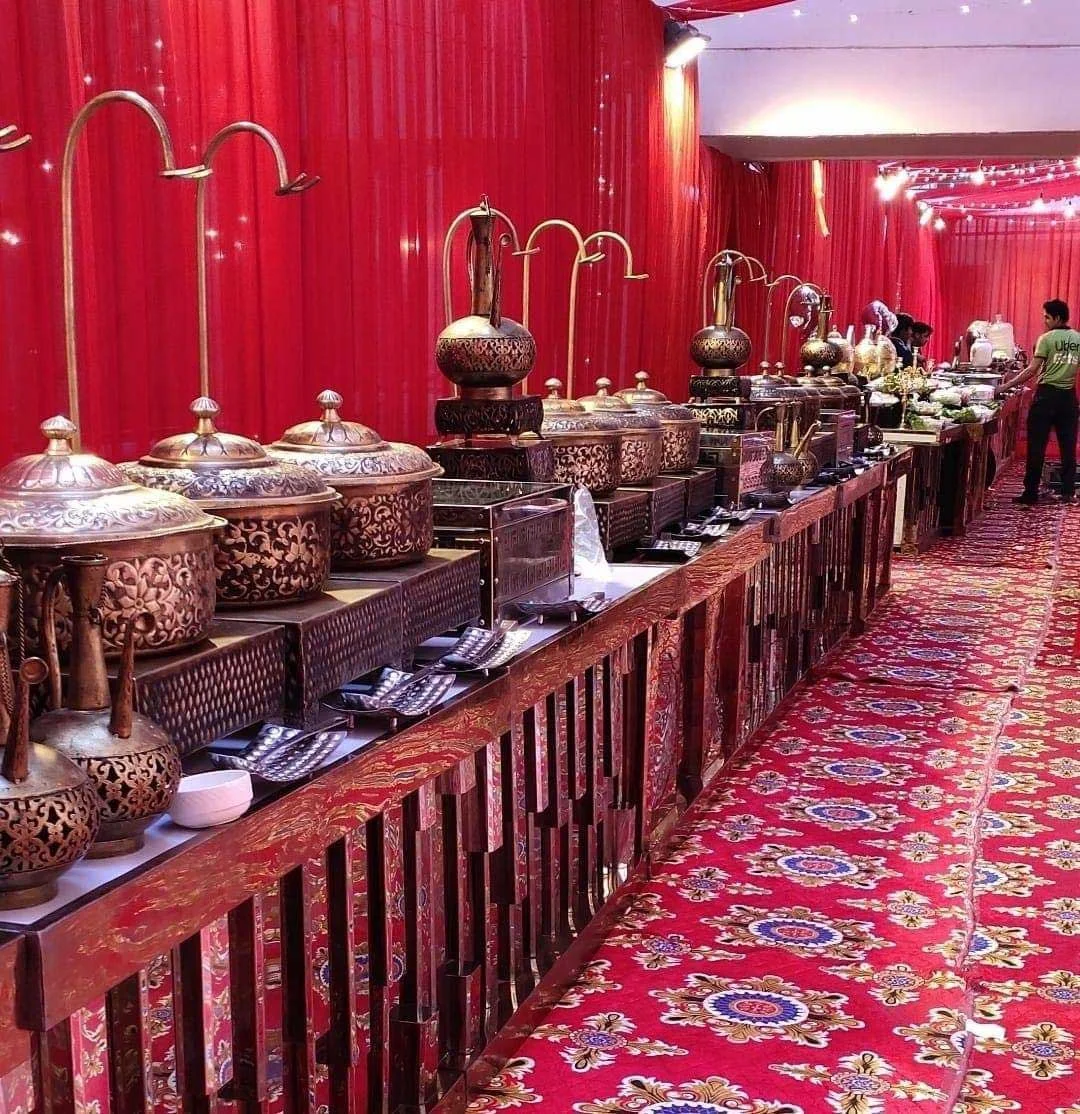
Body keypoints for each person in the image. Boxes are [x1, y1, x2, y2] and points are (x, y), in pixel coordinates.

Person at [1003, 298, 1080, 506]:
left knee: (1036, 446)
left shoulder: (1046, 339)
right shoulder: (1078, 339)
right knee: (1068, 447)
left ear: (1057, 318)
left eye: (1047, 317)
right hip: (1068, 398)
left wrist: (1005, 386)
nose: (1044, 321)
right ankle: (1068, 492)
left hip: (1046, 396)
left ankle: (1030, 493)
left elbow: (1031, 370)